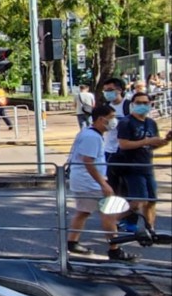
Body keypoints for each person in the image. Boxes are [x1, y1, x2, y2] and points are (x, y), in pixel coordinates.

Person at [65, 105, 136, 260]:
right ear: (101, 119)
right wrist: (103, 184)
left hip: (86, 181)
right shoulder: (92, 137)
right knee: (109, 214)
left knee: (83, 212)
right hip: (89, 183)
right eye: (111, 117)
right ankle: (114, 249)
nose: (114, 121)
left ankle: (72, 242)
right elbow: (88, 161)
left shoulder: (92, 134)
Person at [116, 92, 171, 234]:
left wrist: (166, 140)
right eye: (139, 103)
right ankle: (114, 219)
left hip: (147, 165)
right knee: (139, 201)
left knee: (151, 200)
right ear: (133, 104)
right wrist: (146, 141)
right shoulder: (126, 122)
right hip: (131, 167)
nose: (142, 105)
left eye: (145, 103)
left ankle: (150, 229)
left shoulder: (151, 123)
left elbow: (153, 145)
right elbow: (123, 144)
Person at [100, 77, 131, 193]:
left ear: (119, 90)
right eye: (105, 90)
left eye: (110, 90)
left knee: (127, 184)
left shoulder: (128, 105)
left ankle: (128, 209)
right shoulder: (105, 106)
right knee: (112, 184)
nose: (107, 93)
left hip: (125, 150)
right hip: (109, 150)